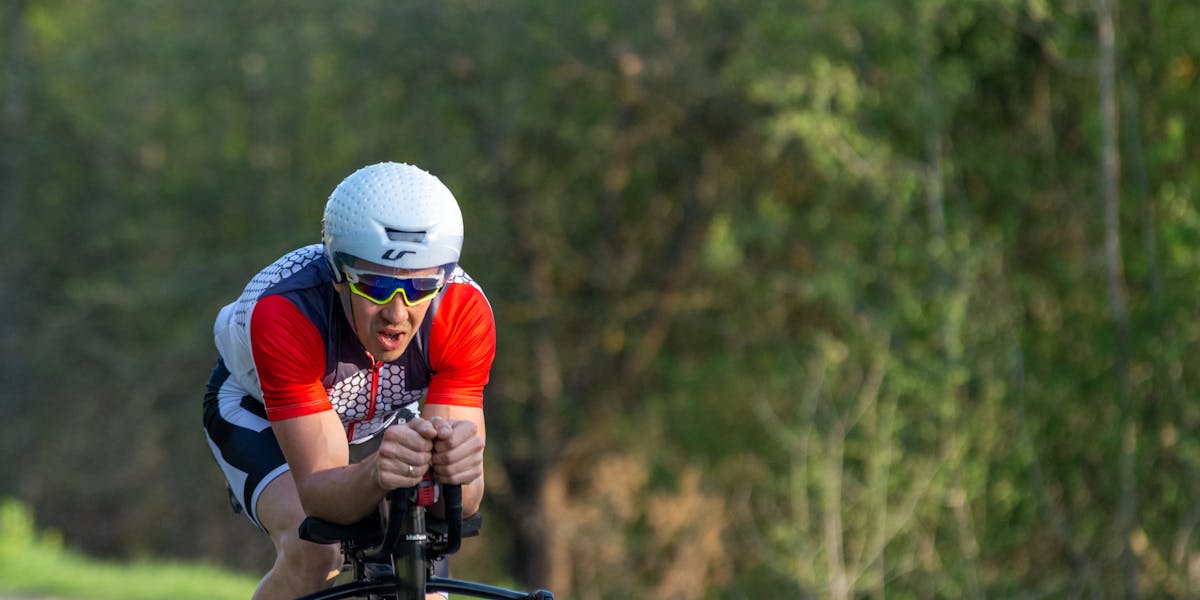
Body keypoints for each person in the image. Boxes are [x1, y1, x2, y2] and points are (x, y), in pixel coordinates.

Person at [203, 162, 493, 599]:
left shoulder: (462, 311)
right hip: (257, 410)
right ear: (339, 275)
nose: (398, 313)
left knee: (423, 551)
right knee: (314, 551)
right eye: (376, 285)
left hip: (383, 415)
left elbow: (463, 503)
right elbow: (321, 496)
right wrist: (377, 473)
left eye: (421, 287)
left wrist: (461, 474)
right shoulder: (287, 311)